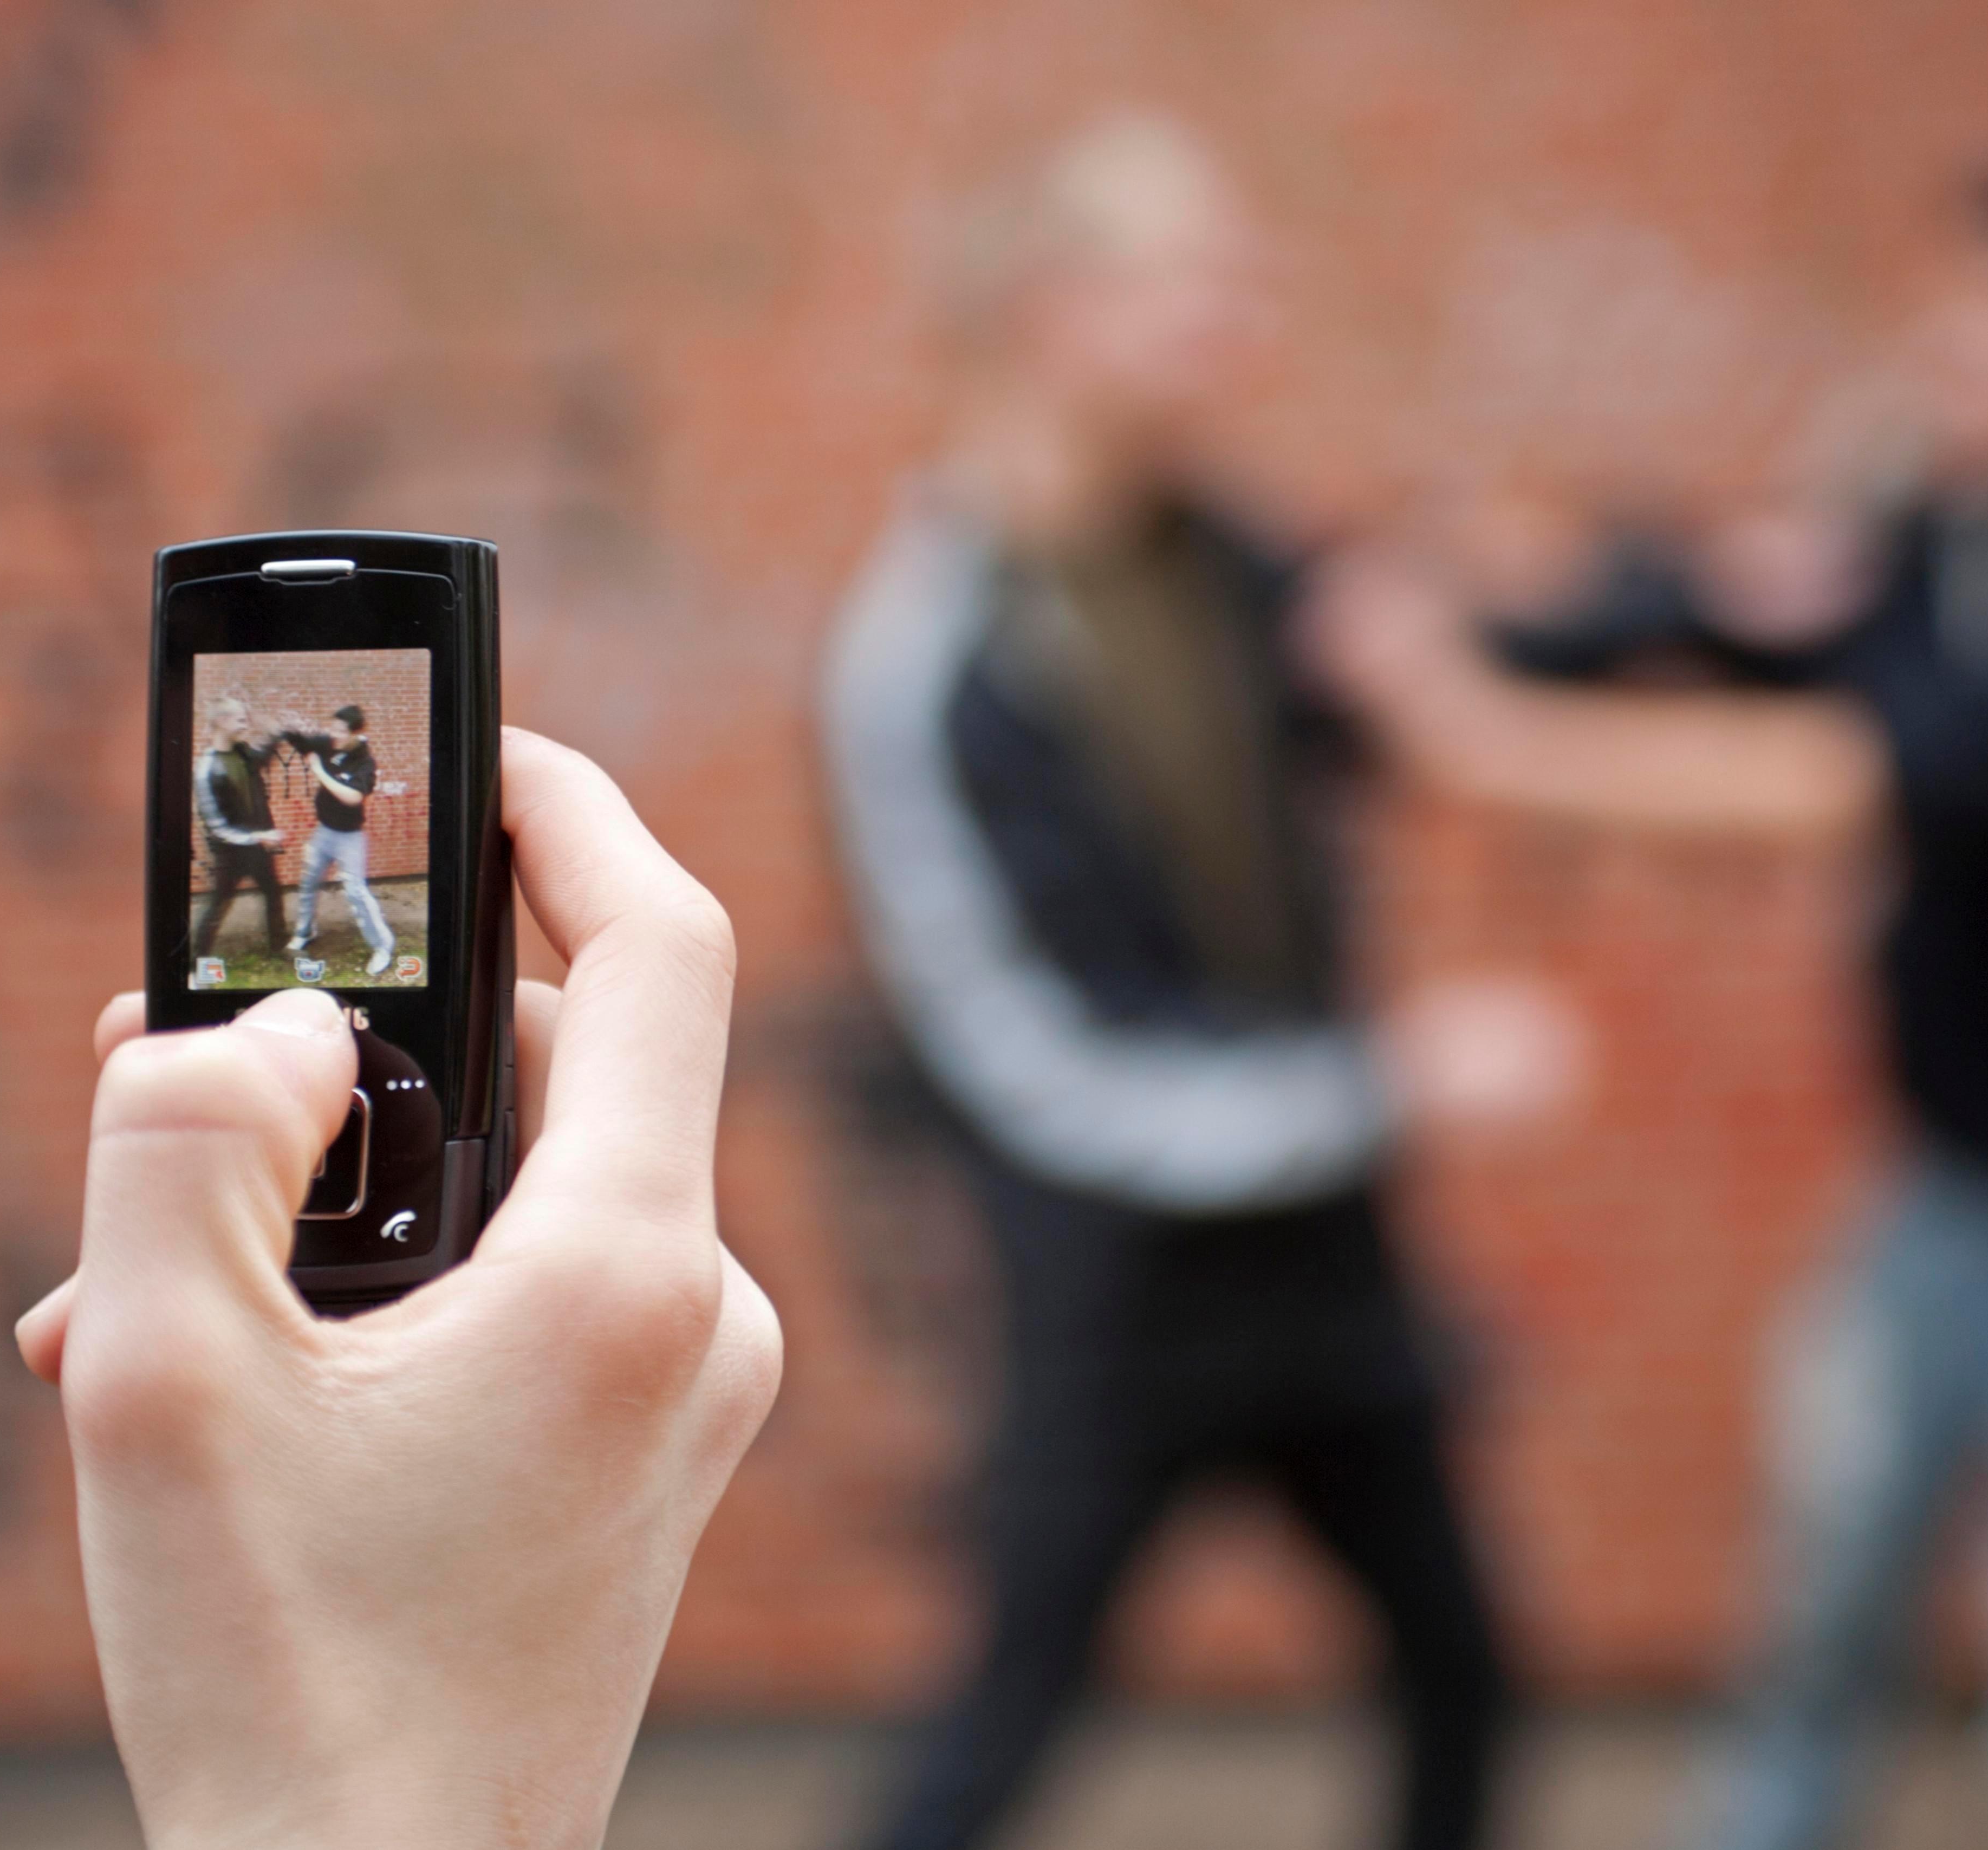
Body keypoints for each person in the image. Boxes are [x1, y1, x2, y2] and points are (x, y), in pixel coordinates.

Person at [1327, 153, 1988, 1850]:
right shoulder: (1966, 515)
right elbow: (1763, 615)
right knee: (1811, 1659)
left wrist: (1488, 740)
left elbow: (1844, 775)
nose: (1944, 357)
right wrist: (1502, 621)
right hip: (1947, 1200)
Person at [824, 118, 1508, 1850]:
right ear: (1057, 308)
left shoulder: (1232, 563)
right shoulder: (925, 653)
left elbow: (1449, 648)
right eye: (1198, 275)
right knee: (1003, 1727)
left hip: (1329, 1273)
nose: (1243, 311)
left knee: (1466, 1676)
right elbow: (1028, 1062)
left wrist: (1717, 599)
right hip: (1126, 1300)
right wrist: (1380, 1088)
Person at [17, 726, 781, 1850]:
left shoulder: (346, 779)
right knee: (310, 911)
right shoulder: (281, 778)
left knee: (342, 910)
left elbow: (334, 792)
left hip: (327, 883)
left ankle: (356, 942)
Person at [278, 703, 398, 978]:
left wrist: (318, 771)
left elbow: (353, 797)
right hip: (323, 832)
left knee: (356, 890)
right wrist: (281, 729)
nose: (334, 735)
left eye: (341, 731)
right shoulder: (328, 745)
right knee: (308, 882)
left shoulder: (365, 762)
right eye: (332, 728)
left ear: (356, 733)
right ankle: (305, 931)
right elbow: (302, 741)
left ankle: (382, 947)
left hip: (350, 838)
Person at [189, 694, 288, 964]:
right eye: (240, 718)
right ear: (222, 722)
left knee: (273, 893)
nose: (246, 722)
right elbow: (217, 827)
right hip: (230, 854)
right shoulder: (206, 770)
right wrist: (258, 836)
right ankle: (198, 962)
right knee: (219, 905)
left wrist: (275, 732)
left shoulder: (243, 751)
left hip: (259, 848)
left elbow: (263, 756)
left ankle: (279, 948)